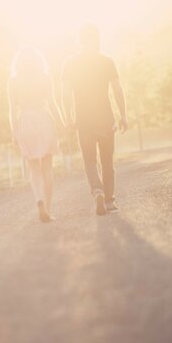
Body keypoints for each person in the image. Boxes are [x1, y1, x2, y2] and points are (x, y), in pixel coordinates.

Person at [62, 24, 128, 216]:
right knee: (107, 160)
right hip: (105, 118)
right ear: (96, 39)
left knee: (90, 161)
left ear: (81, 41)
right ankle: (108, 200)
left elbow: (65, 94)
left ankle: (97, 190)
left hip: (84, 120)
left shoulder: (70, 64)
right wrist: (123, 114)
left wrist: (68, 117)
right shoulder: (106, 61)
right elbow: (117, 89)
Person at [8, 48, 65, 222]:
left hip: (25, 121)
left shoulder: (14, 82)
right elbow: (53, 103)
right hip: (44, 119)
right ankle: (47, 208)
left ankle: (39, 199)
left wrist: (14, 132)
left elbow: (11, 110)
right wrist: (62, 124)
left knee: (33, 167)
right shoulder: (45, 78)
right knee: (47, 168)